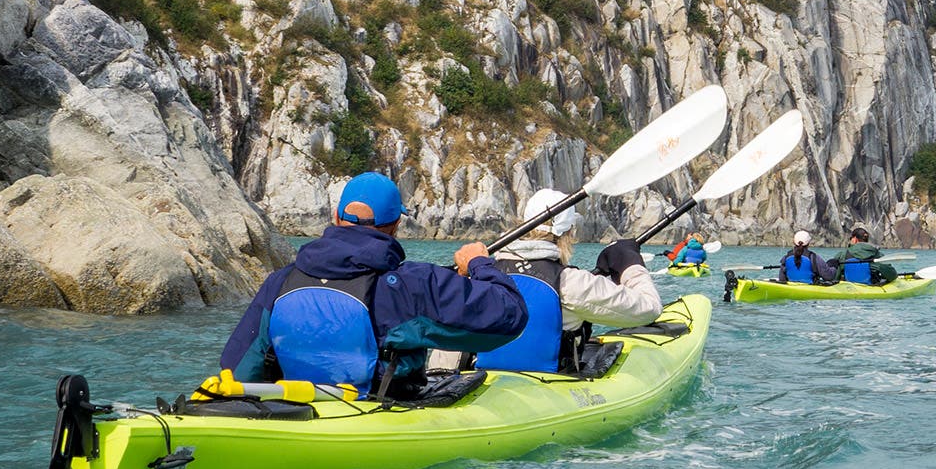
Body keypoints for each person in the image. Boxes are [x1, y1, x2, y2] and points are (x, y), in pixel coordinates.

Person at [218, 172, 526, 396]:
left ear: (337, 218)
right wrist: (479, 263)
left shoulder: (280, 281)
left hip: (298, 407)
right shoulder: (409, 285)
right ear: (395, 226)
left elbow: (239, 369)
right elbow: (509, 315)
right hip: (380, 407)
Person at [477, 190, 664, 374]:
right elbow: (649, 308)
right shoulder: (571, 283)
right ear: (569, 231)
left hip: (486, 377)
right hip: (550, 385)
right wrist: (628, 263)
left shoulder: (483, 274)